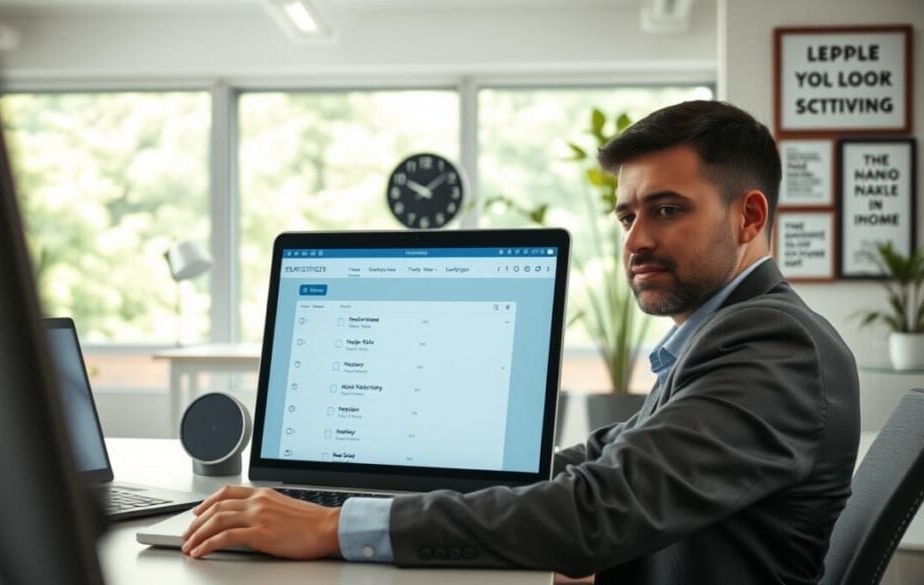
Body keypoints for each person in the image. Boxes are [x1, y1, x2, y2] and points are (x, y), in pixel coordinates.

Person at [179, 101, 860, 584]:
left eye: (667, 209)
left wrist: (333, 527)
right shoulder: (722, 332)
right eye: (627, 214)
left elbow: (599, 509)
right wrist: (393, 487)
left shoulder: (775, 343)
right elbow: (593, 462)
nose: (635, 240)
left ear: (749, 215)